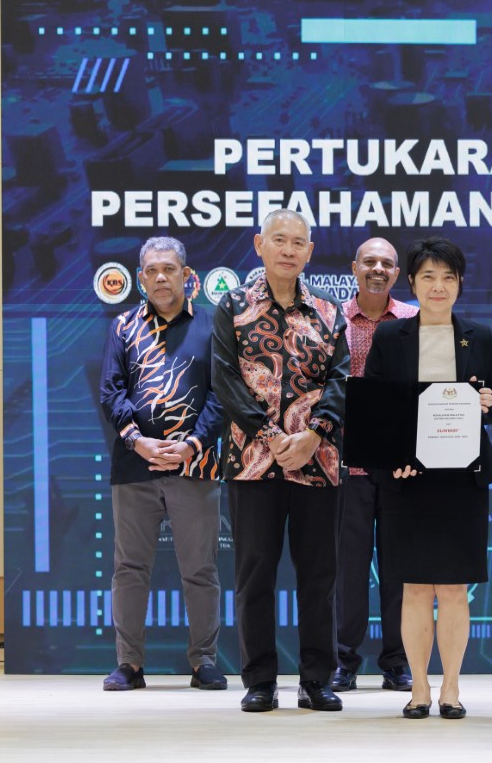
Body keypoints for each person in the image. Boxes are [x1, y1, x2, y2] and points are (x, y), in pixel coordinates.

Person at [363, 236, 492, 720]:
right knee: (414, 588)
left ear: (460, 283)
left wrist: (485, 404)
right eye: (428, 276)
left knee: (452, 588)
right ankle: (418, 688)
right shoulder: (390, 338)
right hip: (410, 479)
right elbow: (376, 413)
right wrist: (393, 458)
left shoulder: (479, 337)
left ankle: (451, 687)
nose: (438, 286)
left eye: (448, 277)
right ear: (412, 283)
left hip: (461, 480)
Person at [211, 209, 350, 713]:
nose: (289, 249)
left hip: (320, 461)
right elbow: (225, 378)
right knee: (255, 574)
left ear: (310, 251)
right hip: (254, 463)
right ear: (259, 245)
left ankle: (316, 681)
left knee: (319, 576)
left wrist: (316, 434)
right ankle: (260, 680)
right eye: (280, 240)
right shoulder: (233, 306)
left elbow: (340, 381)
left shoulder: (330, 311)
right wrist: (272, 436)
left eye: (298, 242)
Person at [98, 236, 226, 692]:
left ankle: (204, 662)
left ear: (187, 275)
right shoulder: (123, 327)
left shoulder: (213, 326)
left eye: (169, 269)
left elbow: (221, 395)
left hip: (197, 464)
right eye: (151, 270)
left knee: (201, 569)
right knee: (130, 568)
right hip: (135, 466)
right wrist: (136, 440)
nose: (160, 277)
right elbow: (111, 391)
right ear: (140, 278)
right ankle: (129, 665)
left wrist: (192, 443)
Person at [331, 237, 418, 694]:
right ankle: (344, 660)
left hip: (401, 468)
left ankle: (396, 661)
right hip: (347, 464)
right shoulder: (332, 320)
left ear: (397, 274)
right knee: (349, 568)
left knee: (399, 568)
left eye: (387, 263)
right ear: (354, 268)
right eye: (370, 262)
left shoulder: (412, 320)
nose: (378, 269)